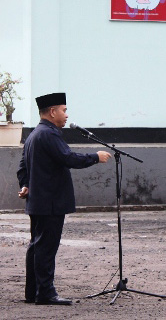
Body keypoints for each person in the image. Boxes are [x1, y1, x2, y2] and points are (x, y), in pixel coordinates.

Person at [16, 93, 112, 305]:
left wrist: (25, 185)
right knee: (46, 248)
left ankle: (33, 292)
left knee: (36, 246)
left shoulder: (34, 135)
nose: (67, 115)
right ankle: (46, 294)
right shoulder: (49, 134)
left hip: (38, 201)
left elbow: (23, 167)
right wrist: (95, 157)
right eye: (64, 110)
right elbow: (68, 158)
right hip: (50, 201)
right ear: (52, 112)